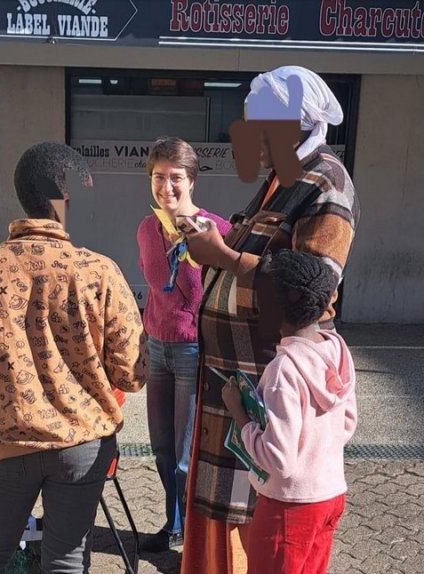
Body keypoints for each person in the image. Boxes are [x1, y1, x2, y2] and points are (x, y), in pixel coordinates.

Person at [0, 142, 146, 573]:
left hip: (7, 441)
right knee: (65, 559)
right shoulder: (99, 271)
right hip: (83, 445)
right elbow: (131, 373)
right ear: (62, 195)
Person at [180, 65, 359, 574]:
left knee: (259, 528)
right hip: (237, 375)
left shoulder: (327, 185)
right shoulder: (281, 179)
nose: (246, 135)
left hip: (265, 387)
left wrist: (223, 256)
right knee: (234, 522)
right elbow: (254, 251)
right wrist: (212, 243)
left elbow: (316, 288)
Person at [222, 250, 356, 574]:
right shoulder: (337, 352)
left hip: (288, 508)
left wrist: (240, 415)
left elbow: (278, 459)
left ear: (277, 307)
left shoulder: (284, 371)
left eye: (261, 300)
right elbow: (348, 422)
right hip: (329, 495)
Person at [135, 137, 232, 553]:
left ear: (191, 180)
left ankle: (194, 538)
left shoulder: (216, 230)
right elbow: (154, 293)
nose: (167, 187)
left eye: (176, 178)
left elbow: (233, 291)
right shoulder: (146, 228)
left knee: (184, 456)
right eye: (159, 177)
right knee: (159, 448)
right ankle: (172, 525)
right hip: (157, 349)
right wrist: (142, 344)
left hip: (194, 353)